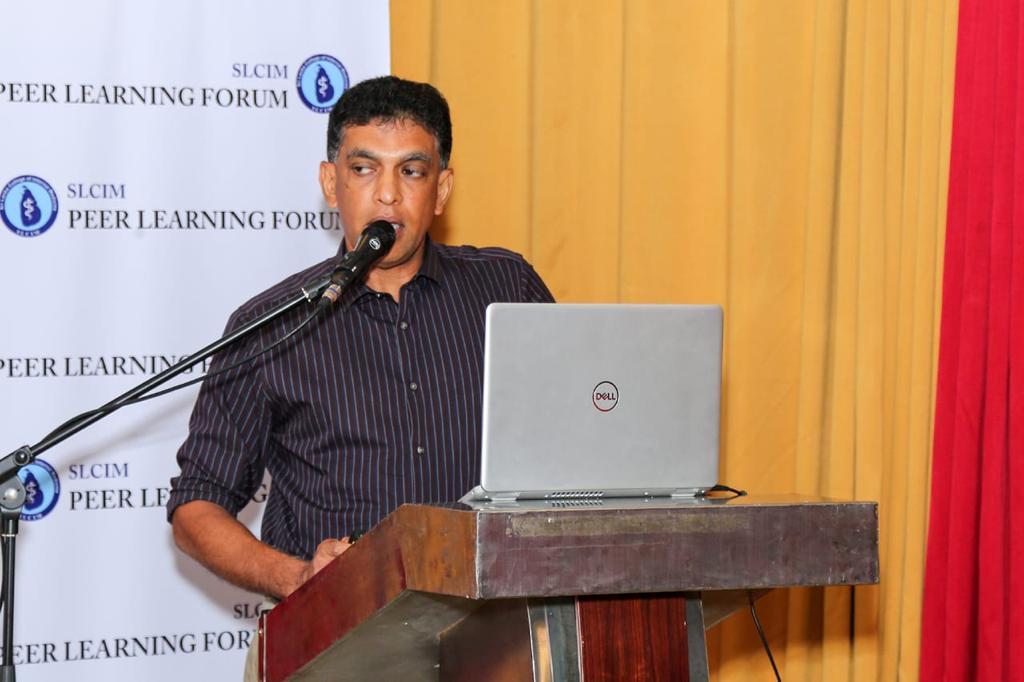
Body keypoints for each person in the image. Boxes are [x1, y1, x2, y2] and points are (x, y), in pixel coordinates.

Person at [166, 76, 554, 605]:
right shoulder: (272, 325)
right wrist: (297, 578)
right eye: (364, 169)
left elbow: (574, 443)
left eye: (411, 171)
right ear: (331, 184)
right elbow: (197, 507)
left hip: (495, 620)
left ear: (441, 190)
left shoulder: (508, 289)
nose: (388, 193)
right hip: (342, 626)